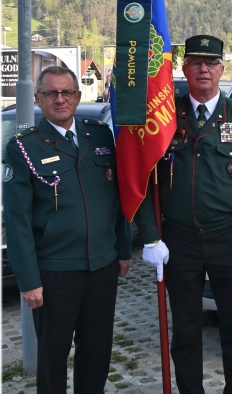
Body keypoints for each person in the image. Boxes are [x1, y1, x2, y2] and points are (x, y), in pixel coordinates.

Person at [134, 34, 232, 394]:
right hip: (179, 240)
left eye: (211, 64)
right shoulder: (164, 119)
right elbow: (143, 179)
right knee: (186, 328)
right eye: (196, 63)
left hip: (229, 236)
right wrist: (150, 235)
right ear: (184, 69)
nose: (204, 70)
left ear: (223, 69)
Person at [3, 66, 133, 394]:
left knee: (97, 352)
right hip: (55, 273)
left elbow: (117, 199)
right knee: (53, 357)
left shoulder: (100, 136)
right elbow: (17, 222)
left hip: (101, 267)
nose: (60, 99)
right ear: (38, 99)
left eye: (67, 92)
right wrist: (29, 281)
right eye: (51, 93)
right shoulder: (23, 149)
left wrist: (123, 249)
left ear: (77, 96)